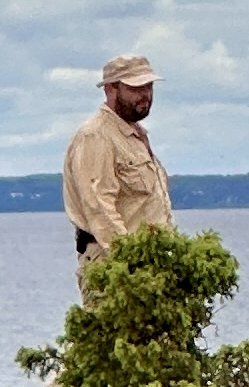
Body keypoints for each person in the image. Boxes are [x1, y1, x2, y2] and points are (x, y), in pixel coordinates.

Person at [63, 51, 174, 271]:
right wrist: (130, 262)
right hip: (114, 265)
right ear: (110, 89)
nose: (145, 95)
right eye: (135, 88)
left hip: (152, 263)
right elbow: (99, 207)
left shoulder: (136, 135)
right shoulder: (96, 136)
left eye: (148, 87)